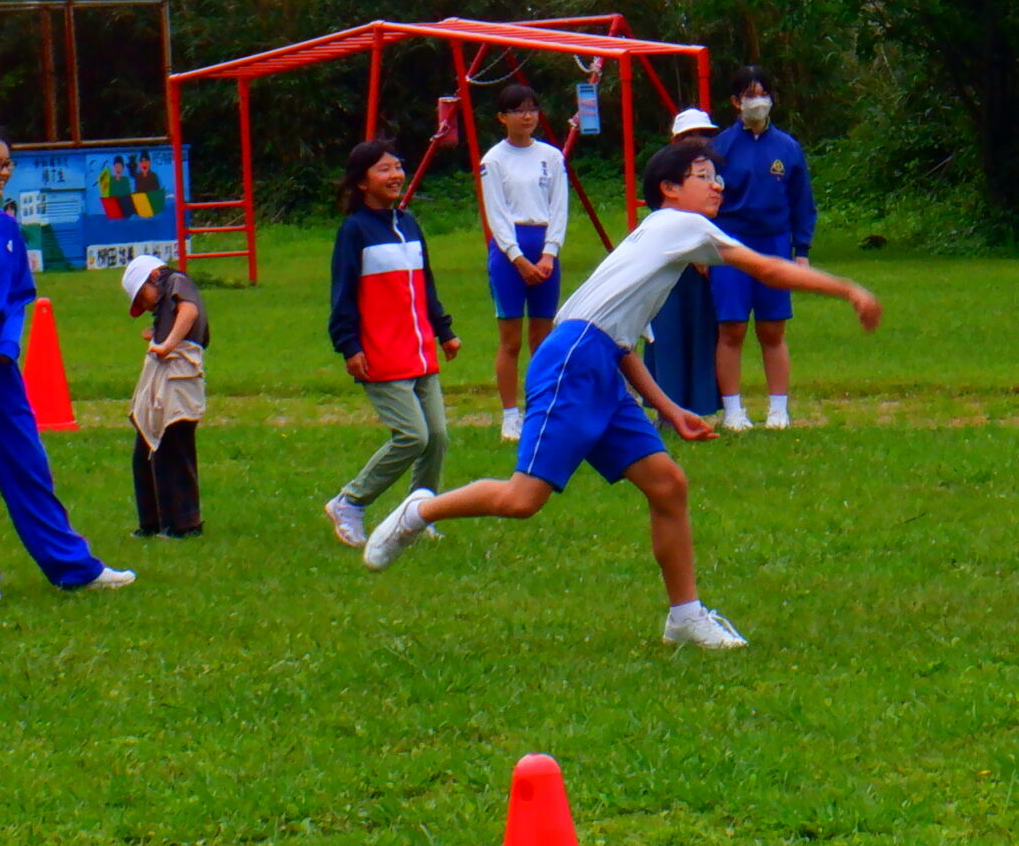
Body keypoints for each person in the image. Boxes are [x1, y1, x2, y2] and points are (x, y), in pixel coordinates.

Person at [362, 139, 880, 649]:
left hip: (597, 362)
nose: (716, 186)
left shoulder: (659, 240)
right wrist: (848, 289)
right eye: (703, 176)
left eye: (716, 177)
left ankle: (685, 616)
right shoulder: (682, 224)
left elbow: (621, 344)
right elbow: (765, 268)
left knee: (667, 484)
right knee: (522, 500)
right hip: (573, 362)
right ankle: (418, 512)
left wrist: (670, 409)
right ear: (670, 190)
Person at [0, 124, 133, 602]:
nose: (4, 172)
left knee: (28, 464)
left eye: (8, 164)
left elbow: (18, 295)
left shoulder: (8, 227)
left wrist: (9, 345)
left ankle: (73, 566)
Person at [323, 139, 461, 548]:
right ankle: (349, 502)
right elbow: (342, 295)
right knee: (412, 437)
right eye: (384, 169)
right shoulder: (354, 232)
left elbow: (425, 284)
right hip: (380, 353)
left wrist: (445, 330)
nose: (395, 175)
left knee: (436, 438)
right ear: (362, 182)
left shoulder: (410, 223)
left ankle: (419, 517)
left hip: (420, 351)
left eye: (398, 166)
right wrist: (349, 346)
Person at [707, 65, 817, 430]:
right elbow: (706, 203)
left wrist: (801, 251)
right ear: (735, 102)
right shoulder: (720, 147)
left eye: (762, 94)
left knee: (772, 329)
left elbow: (802, 202)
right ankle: (734, 410)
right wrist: (703, 250)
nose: (757, 102)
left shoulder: (787, 148)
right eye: (749, 95)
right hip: (730, 246)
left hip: (774, 243)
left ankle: (778, 409)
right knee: (732, 328)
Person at [479, 83, 568, 445]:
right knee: (511, 339)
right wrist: (517, 258)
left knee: (543, 337)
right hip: (508, 251)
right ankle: (509, 415)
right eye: (518, 110)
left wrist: (549, 253)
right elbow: (497, 214)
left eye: (532, 108)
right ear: (502, 117)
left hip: (544, 244)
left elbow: (559, 207)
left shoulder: (552, 156)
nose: (527, 116)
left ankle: (542, 406)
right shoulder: (493, 160)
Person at [640, 106, 721, 427]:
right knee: (668, 335)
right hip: (671, 267)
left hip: (702, 269)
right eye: (691, 136)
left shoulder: (712, 170)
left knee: (700, 333)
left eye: (704, 135)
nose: (699, 142)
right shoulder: (666, 172)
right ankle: (666, 409)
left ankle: (699, 407)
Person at [122, 253, 206, 539]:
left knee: (173, 446)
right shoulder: (164, 297)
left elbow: (189, 312)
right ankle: (153, 522)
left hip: (178, 375)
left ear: (153, 277)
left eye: (142, 297)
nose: (144, 305)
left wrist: (166, 344)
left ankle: (183, 524)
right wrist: (156, 336)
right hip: (163, 375)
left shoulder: (175, 280)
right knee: (147, 447)